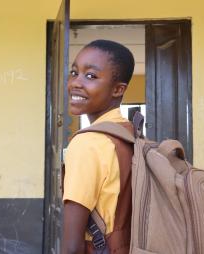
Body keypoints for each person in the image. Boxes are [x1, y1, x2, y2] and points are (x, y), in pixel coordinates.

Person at [62, 40, 135, 254]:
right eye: (74, 72)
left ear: (118, 89)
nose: (75, 82)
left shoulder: (88, 143)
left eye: (91, 76)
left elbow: (72, 247)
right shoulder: (130, 134)